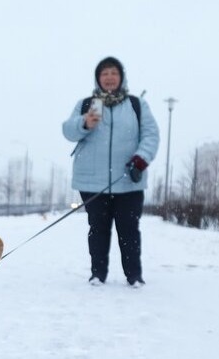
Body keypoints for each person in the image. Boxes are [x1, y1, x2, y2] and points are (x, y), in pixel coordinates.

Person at [62, 56, 160, 288]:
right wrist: (85, 123)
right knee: (98, 229)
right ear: (98, 78)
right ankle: (98, 274)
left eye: (113, 73)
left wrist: (140, 160)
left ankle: (134, 276)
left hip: (128, 180)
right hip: (92, 181)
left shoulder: (137, 105)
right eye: (104, 73)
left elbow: (151, 135)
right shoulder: (86, 104)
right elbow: (68, 131)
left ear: (121, 77)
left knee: (129, 229)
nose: (109, 77)